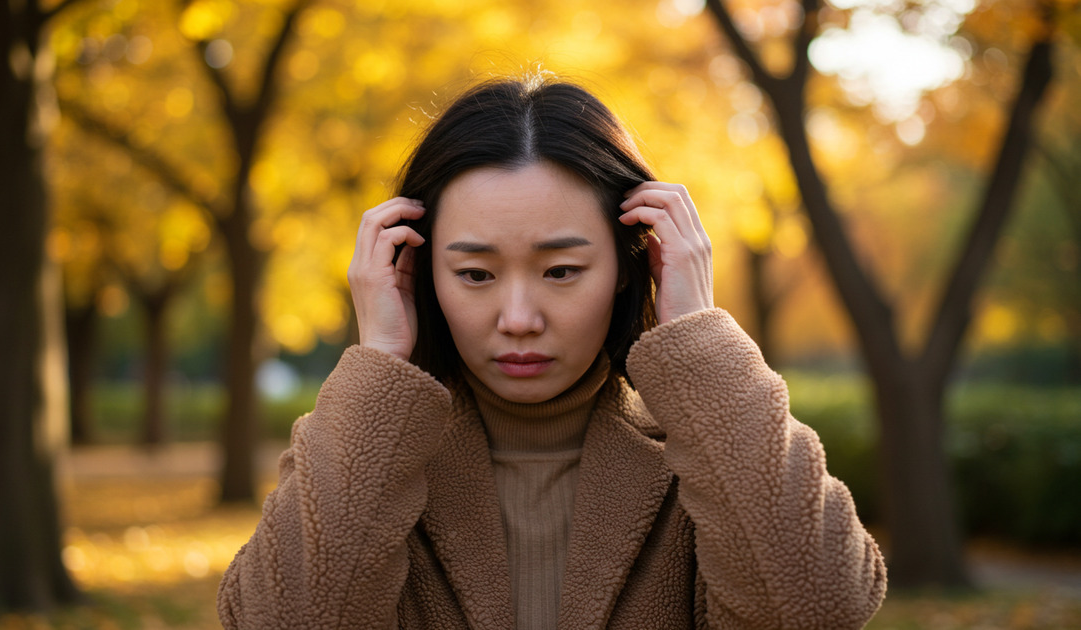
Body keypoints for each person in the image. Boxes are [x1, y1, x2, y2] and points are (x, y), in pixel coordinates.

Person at [217, 76, 887, 629]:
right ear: (417, 272)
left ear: (630, 264)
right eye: (475, 274)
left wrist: (698, 337)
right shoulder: (370, 465)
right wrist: (383, 362)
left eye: (561, 271)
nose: (518, 319)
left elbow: (817, 608)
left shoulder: (709, 461)